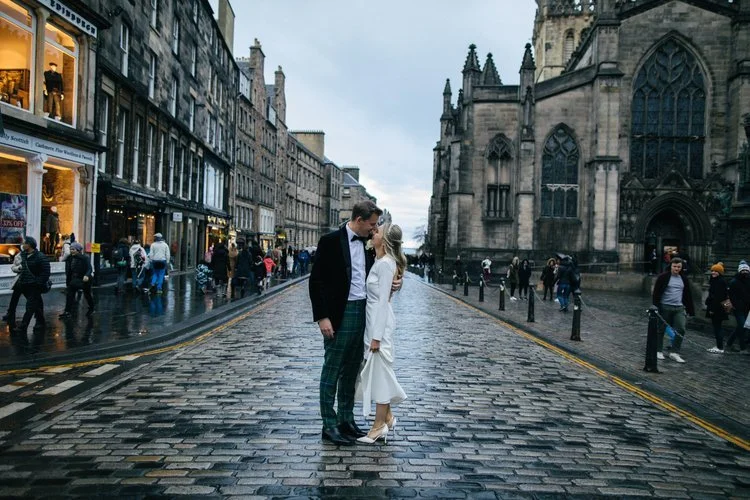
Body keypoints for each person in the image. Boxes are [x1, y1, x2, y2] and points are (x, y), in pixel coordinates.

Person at [309, 201, 389, 446]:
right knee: (332, 370)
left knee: (351, 371)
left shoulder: (368, 245)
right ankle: (329, 424)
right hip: (338, 314)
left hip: (363, 312)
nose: (375, 230)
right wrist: (322, 317)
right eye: (372, 224)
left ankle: (346, 420)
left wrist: (395, 284)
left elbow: (381, 273)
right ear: (359, 219)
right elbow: (316, 282)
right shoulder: (330, 241)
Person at [354, 222, 407, 444]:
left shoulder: (386, 264)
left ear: (384, 241)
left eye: (378, 231)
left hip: (380, 325)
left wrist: (376, 338)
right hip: (372, 322)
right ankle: (388, 418)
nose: (374, 232)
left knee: (381, 374)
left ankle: (378, 427)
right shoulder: (379, 260)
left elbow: (384, 303)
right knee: (377, 372)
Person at [652, 257, 695, 363]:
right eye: (675, 266)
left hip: (679, 307)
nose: (677, 268)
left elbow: (687, 295)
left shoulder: (684, 278)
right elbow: (656, 293)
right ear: (671, 266)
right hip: (665, 306)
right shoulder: (663, 277)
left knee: (681, 329)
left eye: (679, 267)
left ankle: (674, 352)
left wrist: (690, 309)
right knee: (660, 329)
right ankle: (658, 351)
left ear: (681, 267)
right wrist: (656, 306)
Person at [14, 237, 50, 334]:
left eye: (24, 243)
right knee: (36, 305)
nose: (22, 245)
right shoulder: (23, 255)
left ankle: (23, 326)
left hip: (34, 286)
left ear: (29, 245)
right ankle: (41, 322)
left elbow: (46, 272)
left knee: (30, 306)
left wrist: (38, 283)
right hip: (25, 285)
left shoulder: (40, 257)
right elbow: (21, 268)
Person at [58, 242, 94, 318]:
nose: (71, 251)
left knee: (87, 294)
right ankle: (67, 311)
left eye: (73, 249)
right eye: (70, 249)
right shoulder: (70, 258)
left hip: (85, 280)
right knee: (70, 294)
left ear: (78, 250)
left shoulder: (85, 258)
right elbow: (69, 271)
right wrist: (68, 281)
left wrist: (87, 275)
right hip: (75, 280)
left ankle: (92, 307)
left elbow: (89, 268)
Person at [726, 261, 750, 354]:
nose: (745, 272)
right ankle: (743, 348)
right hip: (737, 308)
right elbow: (731, 296)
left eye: (746, 270)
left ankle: (729, 342)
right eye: (743, 270)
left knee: (741, 326)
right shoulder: (734, 282)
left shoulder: (749, 280)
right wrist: (736, 305)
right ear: (739, 271)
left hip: (747, 307)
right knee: (742, 325)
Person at [705, 262, 728, 354]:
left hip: (717, 309)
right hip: (717, 308)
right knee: (717, 327)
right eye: (713, 271)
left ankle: (719, 347)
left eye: (716, 271)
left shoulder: (720, 282)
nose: (713, 272)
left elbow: (717, 298)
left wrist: (712, 309)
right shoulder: (716, 280)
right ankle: (719, 346)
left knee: (717, 328)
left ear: (720, 272)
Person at [2, 250, 24, 326]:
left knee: (34, 300)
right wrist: (19, 268)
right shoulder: (20, 255)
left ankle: (39, 317)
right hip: (20, 280)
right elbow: (13, 267)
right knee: (15, 297)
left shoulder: (34, 255)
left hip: (30, 280)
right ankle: (10, 313)